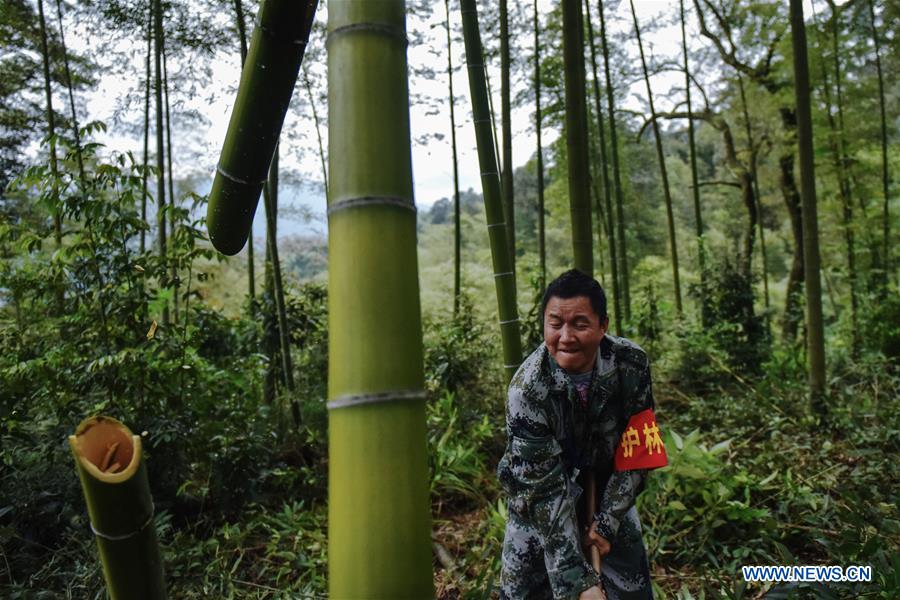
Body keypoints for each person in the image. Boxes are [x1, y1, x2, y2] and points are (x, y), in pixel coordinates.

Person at [497, 269, 668, 600]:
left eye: (579, 324)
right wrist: (579, 583)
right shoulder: (528, 389)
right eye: (555, 323)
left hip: (608, 487)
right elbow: (543, 491)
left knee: (632, 589)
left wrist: (607, 523)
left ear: (603, 325)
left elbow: (638, 452)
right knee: (524, 591)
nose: (565, 336)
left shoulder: (630, 364)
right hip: (540, 499)